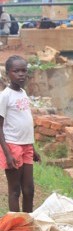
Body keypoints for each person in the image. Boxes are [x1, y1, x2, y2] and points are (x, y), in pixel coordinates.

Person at [0, 55, 41, 213]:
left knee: (29, 190)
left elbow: (24, 121)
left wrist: (33, 148)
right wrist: (7, 154)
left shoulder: (23, 92)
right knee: (15, 190)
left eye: (24, 71)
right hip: (12, 146)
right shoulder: (5, 96)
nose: (21, 74)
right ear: (8, 74)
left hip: (27, 147)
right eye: (16, 71)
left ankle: (27, 223)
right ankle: (16, 227)